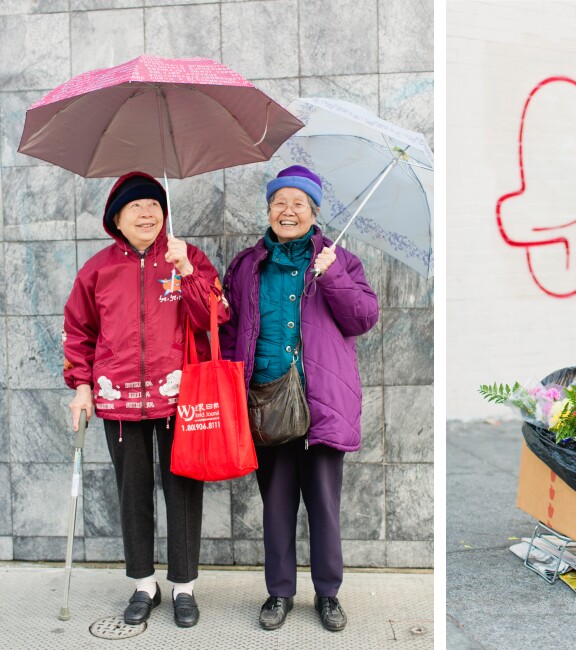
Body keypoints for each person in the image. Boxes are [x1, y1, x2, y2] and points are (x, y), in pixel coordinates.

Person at [63, 171, 228, 627]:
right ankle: (143, 585)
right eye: (136, 206)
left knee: (183, 490)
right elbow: (79, 332)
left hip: (178, 398)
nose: (147, 213)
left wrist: (189, 273)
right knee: (131, 493)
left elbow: (217, 315)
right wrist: (81, 386)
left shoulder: (186, 257)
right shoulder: (97, 269)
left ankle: (184, 588)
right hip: (118, 402)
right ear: (116, 217)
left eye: (154, 204)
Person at [220, 165, 379, 632]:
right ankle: (279, 593)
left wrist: (334, 279)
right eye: (279, 203)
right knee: (276, 504)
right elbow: (232, 332)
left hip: (322, 404)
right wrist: (233, 393)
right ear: (268, 210)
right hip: (266, 403)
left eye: (298, 205)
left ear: (313, 213)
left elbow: (363, 318)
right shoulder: (248, 265)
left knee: (325, 506)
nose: (288, 212)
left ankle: (328, 595)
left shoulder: (339, 260)